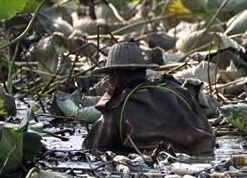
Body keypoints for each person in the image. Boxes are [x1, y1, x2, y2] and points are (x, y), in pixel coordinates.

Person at [83, 40, 215, 154]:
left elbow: (95, 148)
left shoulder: (117, 108)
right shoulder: (178, 91)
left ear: (115, 73)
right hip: (202, 155)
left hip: (155, 164)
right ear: (143, 70)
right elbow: (208, 131)